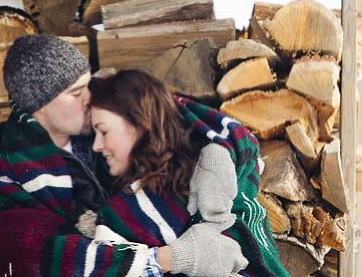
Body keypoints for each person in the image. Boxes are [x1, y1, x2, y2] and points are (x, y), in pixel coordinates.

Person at [0, 34, 246, 277]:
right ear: (39, 106)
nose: (89, 97)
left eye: (87, 84)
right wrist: (169, 258)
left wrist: (214, 156)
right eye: (76, 93)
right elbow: (34, 255)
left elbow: (202, 126)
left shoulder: (111, 107)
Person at [87, 69, 289, 277]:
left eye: (104, 131)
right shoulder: (137, 193)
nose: (96, 145)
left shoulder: (206, 171)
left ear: (138, 123)